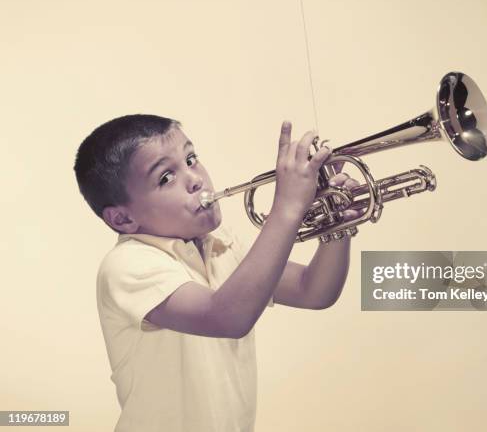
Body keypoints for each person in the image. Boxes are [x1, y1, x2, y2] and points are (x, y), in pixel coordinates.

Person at [73, 114, 360, 432]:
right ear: (123, 219)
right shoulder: (127, 265)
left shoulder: (220, 244)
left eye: (191, 159)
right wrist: (287, 207)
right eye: (165, 178)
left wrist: (338, 222)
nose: (195, 179)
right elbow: (227, 317)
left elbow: (313, 291)